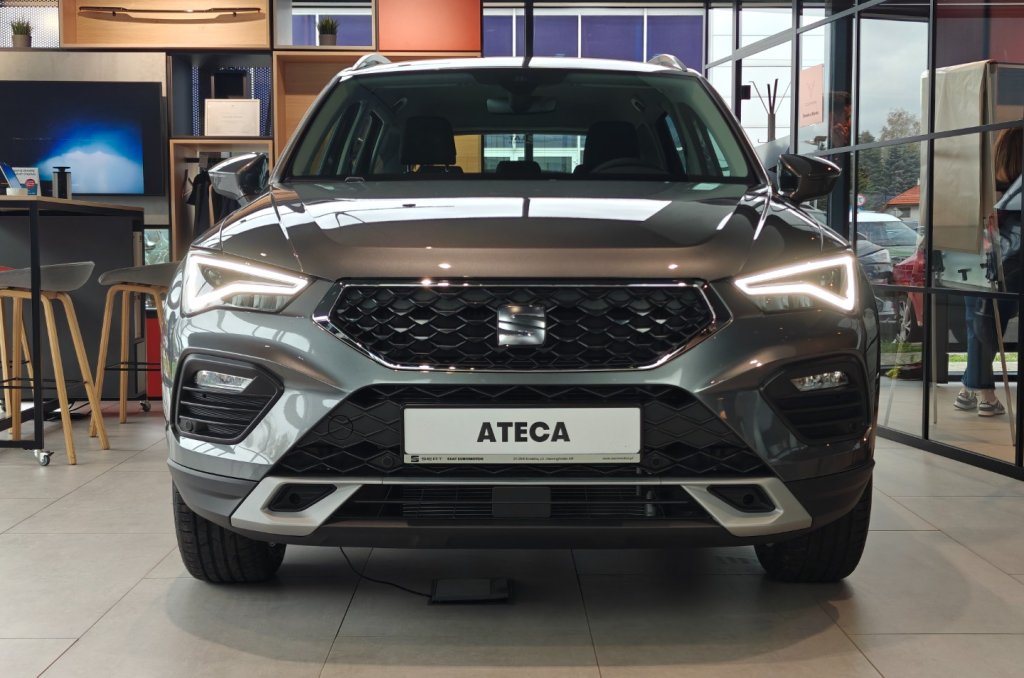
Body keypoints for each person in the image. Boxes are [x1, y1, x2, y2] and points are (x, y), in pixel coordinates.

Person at [955, 126, 1023, 415]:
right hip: (1005, 266)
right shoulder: (1013, 194)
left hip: (974, 262)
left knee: (979, 326)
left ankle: (970, 390)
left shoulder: (983, 187)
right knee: (986, 328)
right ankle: (983, 394)